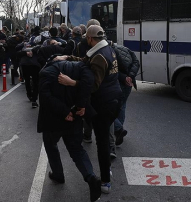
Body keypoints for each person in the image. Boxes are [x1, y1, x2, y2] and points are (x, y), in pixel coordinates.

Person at [56, 25, 122, 194]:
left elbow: (92, 85)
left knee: (102, 142)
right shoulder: (107, 49)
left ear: (91, 39)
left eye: (87, 38)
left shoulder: (99, 55)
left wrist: (72, 83)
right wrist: (67, 57)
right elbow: (85, 61)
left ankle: (105, 181)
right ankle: (106, 168)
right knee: (104, 138)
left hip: (104, 103)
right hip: (114, 98)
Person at [38, 59, 101, 202]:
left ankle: (58, 173)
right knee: (77, 150)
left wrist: (64, 111)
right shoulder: (81, 68)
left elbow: (45, 96)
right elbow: (87, 84)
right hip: (75, 116)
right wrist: (81, 106)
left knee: (50, 145)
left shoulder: (47, 71)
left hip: (53, 118)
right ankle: (91, 177)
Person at [109, 42, 139, 155]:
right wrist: (130, 76)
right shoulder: (126, 49)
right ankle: (119, 131)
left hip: (119, 83)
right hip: (129, 83)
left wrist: (124, 77)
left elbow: (113, 70)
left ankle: (118, 129)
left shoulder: (110, 53)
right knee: (122, 106)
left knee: (111, 108)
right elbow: (136, 62)